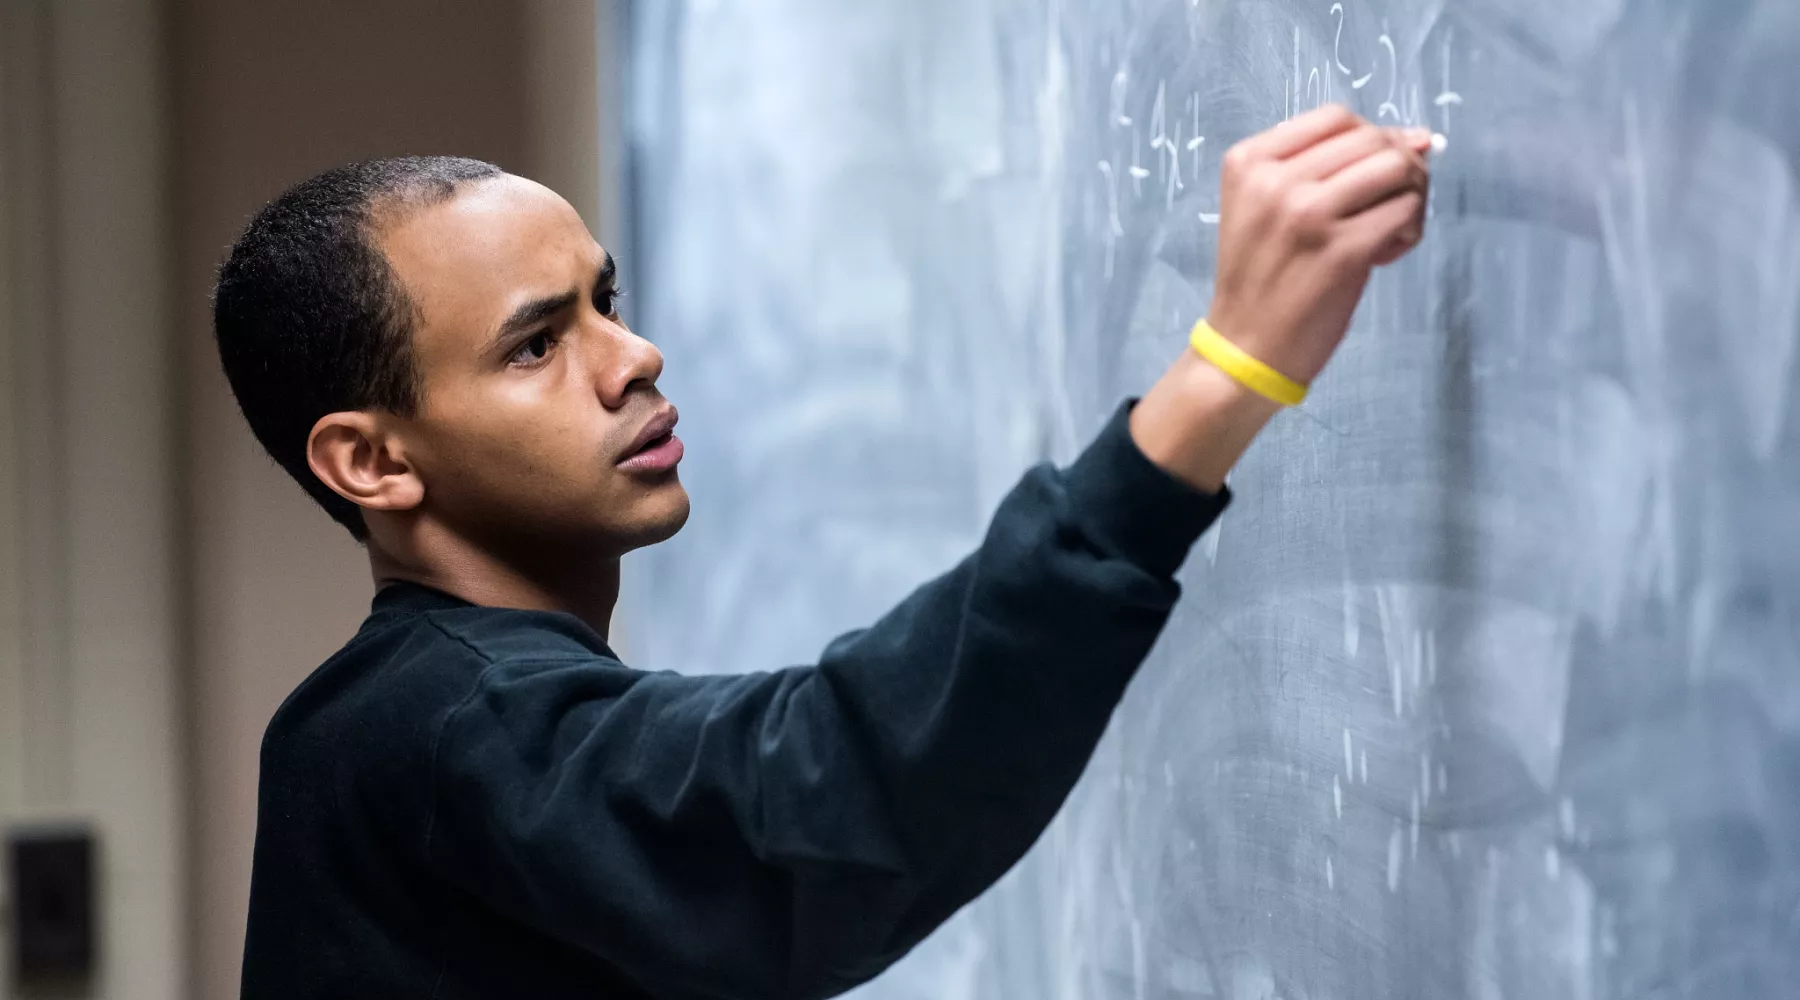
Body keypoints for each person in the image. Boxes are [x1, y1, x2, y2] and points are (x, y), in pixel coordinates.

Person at [221, 105, 1432, 999]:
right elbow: (821, 788)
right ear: (372, 464)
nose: (631, 354)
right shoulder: (430, 734)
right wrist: (1224, 375)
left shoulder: (384, 725)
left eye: (607, 296)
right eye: (536, 344)